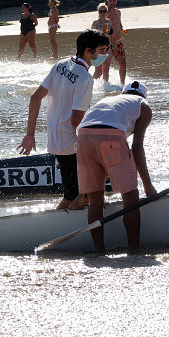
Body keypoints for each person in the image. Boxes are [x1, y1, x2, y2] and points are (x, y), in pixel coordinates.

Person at [17, 29, 109, 210]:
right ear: (89, 51)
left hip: (55, 137)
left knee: (82, 191)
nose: (105, 55)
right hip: (70, 142)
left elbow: (35, 98)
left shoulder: (60, 65)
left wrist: (30, 134)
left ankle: (83, 215)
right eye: (102, 50)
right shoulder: (86, 79)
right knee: (74, 194)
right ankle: (56, 223)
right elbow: (76, 121)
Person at [76, 80, 157, 253]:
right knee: (130, 196)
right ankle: (133, 250)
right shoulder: (143, 105)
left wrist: (81, 195)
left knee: (96, 199)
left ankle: (99, 252)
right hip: (110, 135)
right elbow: (137, 147)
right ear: (144, 96)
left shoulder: (109, 101)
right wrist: (148, 186)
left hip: (82, 137)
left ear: (124, 93)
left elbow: (103, 156)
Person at [103, 0, 127, 85]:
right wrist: (110, 14)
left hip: (118, 42)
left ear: (116, 1)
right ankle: (105, 86)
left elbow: (119, 23)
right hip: (108, 43)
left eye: (114, 0)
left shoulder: (118, 12)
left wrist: (122, 29)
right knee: (106, 66)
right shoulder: (104, 11)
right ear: (107, 1)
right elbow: (103, 23)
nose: (112, 2)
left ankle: (122, 84)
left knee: (123, 63)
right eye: (110, 1)